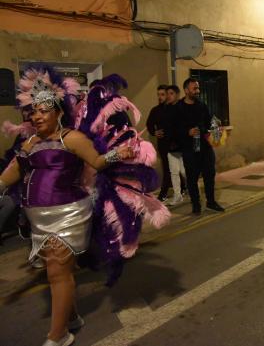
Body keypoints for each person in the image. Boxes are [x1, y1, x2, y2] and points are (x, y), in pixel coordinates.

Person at [0, 68, 169, 346]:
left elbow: (98, 162)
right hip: (37, 218)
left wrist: (119, 153)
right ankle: (72, 317)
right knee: (57, 271)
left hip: (68, 214)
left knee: (56, 271)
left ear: (57, 113)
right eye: (33, 112)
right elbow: (11, 174)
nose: (36, 116)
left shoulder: (72, 139)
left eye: (43, 111)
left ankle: (59, 336)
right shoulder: (30, 143)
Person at [175, 78, 224, 214]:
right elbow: (174, 129)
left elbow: (209, 123)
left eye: (198, 88)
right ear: (186, 90)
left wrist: (215, 123)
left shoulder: (202, 105)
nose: (197, 91)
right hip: (189, 147)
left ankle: (211, 202)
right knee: (192, 178)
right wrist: (187, 132)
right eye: (194, 88)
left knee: (209, 174)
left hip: (204, 145)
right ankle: (196, 205)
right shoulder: (178, 108)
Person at [146, 85, 171, 201]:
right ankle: (164, 192)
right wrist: (154, 132)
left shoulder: (174, 108)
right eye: (158, 95)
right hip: (163, 144)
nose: (160, 97)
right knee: (167, 167)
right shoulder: (155, 110)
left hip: (177, 143)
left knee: (177, 168)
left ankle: (182, 186)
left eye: (162, 94)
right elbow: (149, 124)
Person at [164, 85, 187, 206]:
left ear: (177, 95)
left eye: (171, 93)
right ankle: (177, 196)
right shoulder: (166, 109)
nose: (168, 96)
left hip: (182, 146)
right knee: (174, 172)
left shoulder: (182, 108)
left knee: (184, 172)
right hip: (170, 146)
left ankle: (193, 191)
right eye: (167, 93)